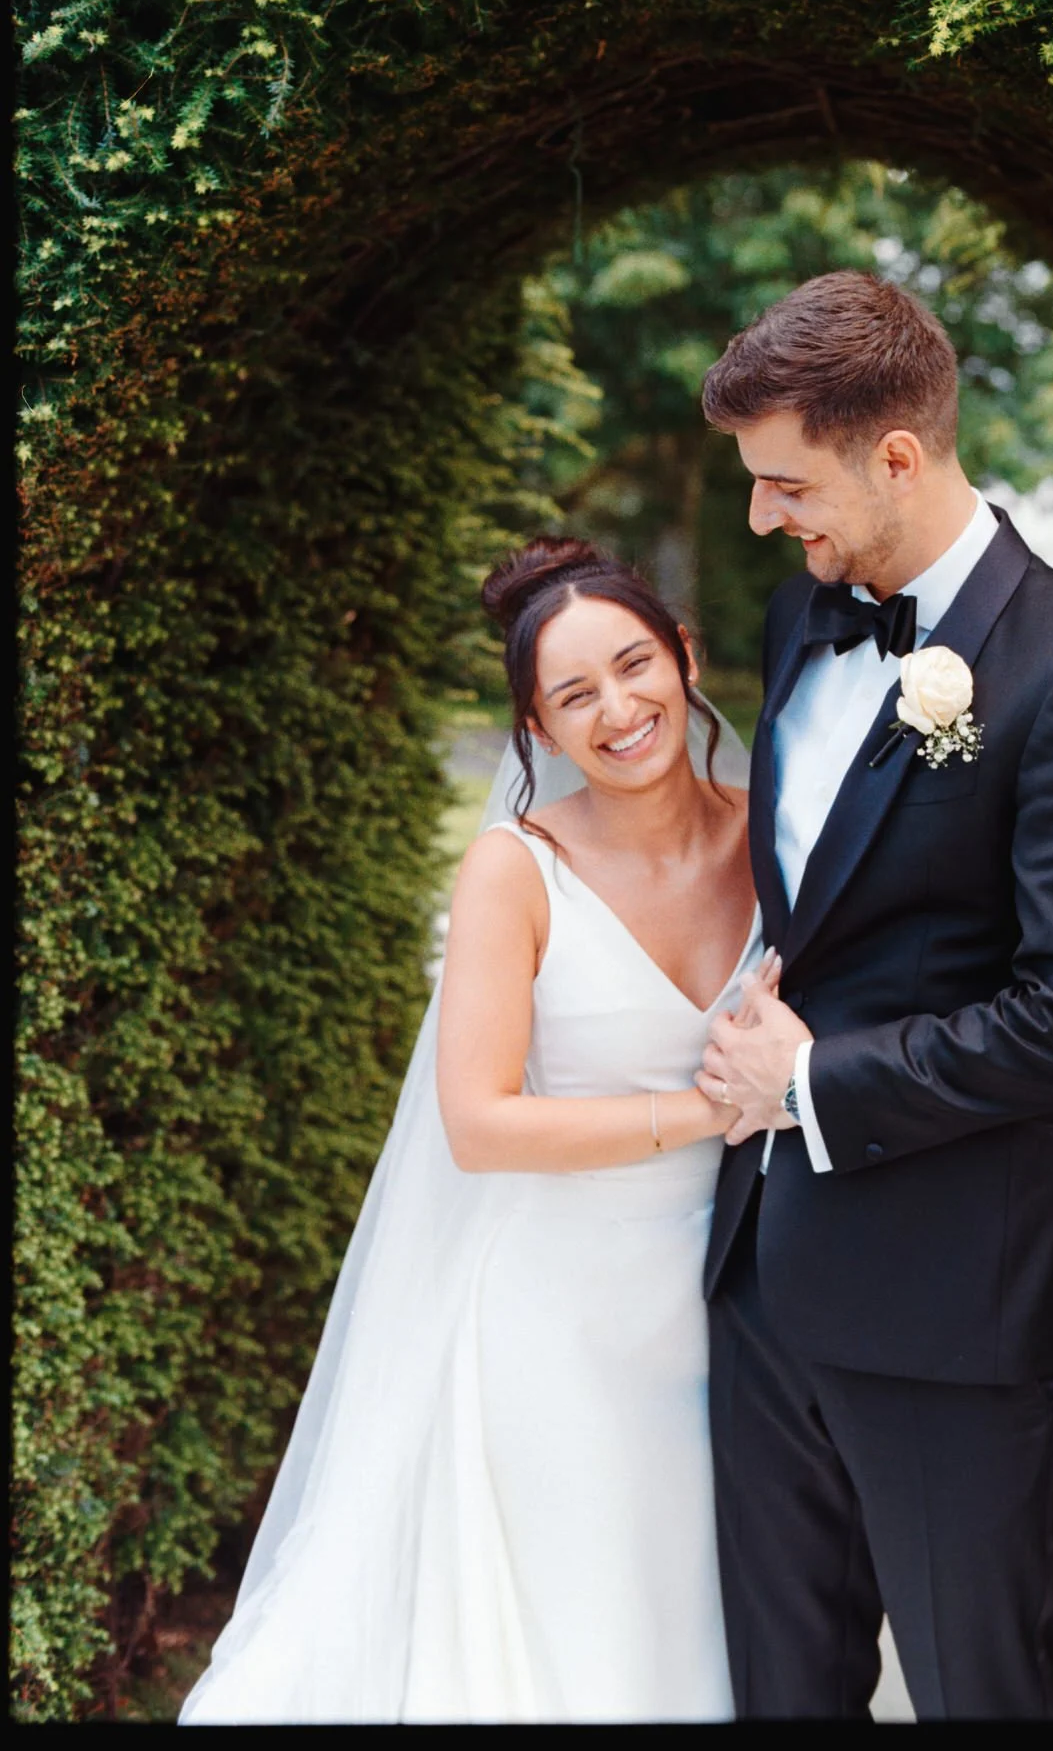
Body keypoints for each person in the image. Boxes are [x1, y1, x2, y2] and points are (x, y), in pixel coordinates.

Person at [694, 269, 1053, 1722]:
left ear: (894, 455)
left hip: (956, 1294)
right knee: (784, 1692)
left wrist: (814, 1085)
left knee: (977, 1691)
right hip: (761, 1269)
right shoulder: (803, 619)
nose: (767, 518)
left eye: (786, 484)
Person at [179, 538, 767, 1724]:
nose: (618, 707)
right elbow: (481, 1122)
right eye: (573, 694)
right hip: (553, 1322)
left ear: (685, 658)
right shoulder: (515, 871)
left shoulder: (779, 836)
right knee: (572, 1640)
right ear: (538, 731)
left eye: (634, 663)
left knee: (694, 1629)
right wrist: (705, 1110)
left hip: (738, 1307)